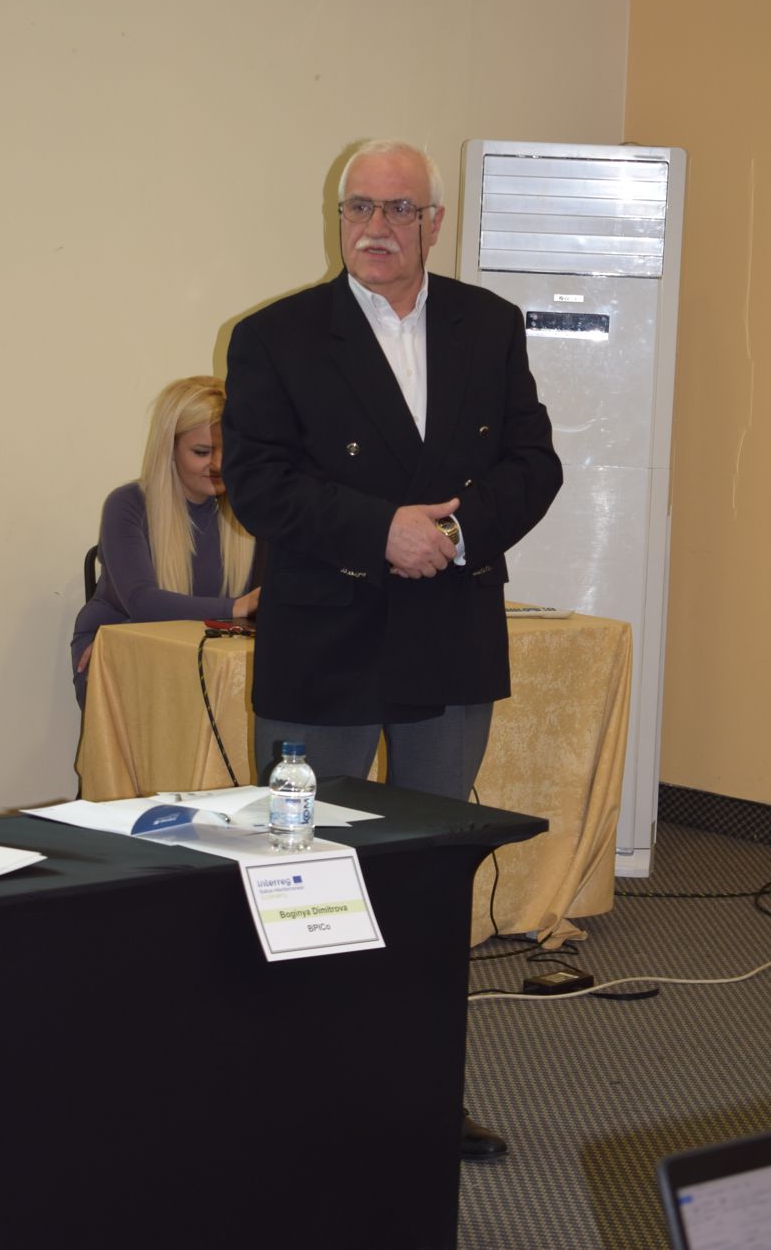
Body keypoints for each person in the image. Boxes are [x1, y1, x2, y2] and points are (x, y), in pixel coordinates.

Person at [221, 139, 563, 1160]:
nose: (373, 226)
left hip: (447, 631)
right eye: (356, 207)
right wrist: (382, 530)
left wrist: (452, 531)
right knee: (306, 874)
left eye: (397, 208)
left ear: (434, 222)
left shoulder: (487, 324)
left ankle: (422, 1095)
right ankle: (298, 1099)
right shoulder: (275, 335)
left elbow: (532, 461)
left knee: (426, 879)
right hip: (324, 635)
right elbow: (260, 482)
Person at [70, 375, 260, 709]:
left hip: (212, 651)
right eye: (201, 452)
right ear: (168, 449)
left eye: (227, 450)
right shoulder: (128, 504)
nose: (217, 464)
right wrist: (236, 608)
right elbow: (142, 603)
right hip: (124, 645)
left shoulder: (253, 509)